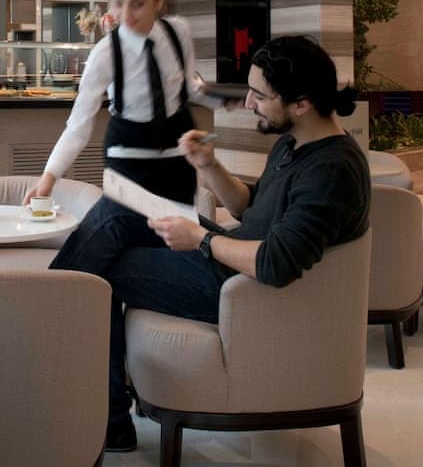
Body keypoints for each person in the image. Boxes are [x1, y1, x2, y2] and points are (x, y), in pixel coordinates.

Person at [50, 34, 371, 452]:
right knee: (123, 206)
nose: (249, 103)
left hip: (242, 289)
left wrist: (201, 239)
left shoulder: (331, 171)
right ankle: (54, 308)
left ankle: (80, 371)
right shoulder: (296, 142)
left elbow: (276, 262)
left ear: (301, 103)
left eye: (260, 95)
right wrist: (210, 165)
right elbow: (251, 209)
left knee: (106, 268)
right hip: (232, 262)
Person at [24, 0, 225, 210]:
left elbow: (187, 88)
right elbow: (78, 125)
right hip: (126, 162)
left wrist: (231, 98)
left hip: (177, 159)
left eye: (138, 4)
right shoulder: (105, 53)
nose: (126, 14)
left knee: (178, 232)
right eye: (118, 3)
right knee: (116, 230)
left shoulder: (178, 32)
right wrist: (48, 178)